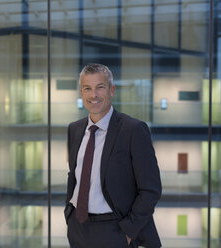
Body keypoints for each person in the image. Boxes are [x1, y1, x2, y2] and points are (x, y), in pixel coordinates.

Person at [64, 63, 162, 248]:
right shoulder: (74, 129)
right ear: (81, 92)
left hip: (114, 230)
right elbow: (73, 174)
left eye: (100, 87)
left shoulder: (133, 130)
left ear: (112, 90)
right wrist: (69, 214)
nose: (93, 95)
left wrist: (127, 231)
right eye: (87, 89)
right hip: (78, 228)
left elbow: (151, 189)